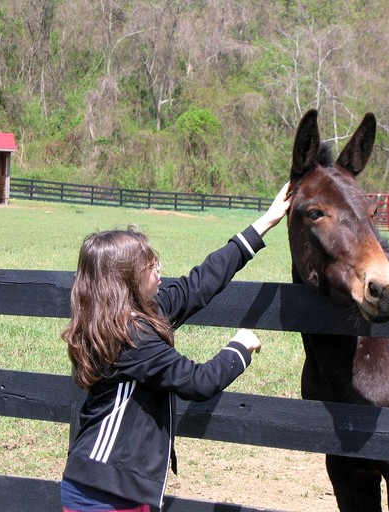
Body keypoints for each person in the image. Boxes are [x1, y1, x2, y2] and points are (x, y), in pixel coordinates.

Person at [60, 183, 292, 512]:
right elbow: (198, 382)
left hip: (103, 483)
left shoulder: (123, 316)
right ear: (125, 280)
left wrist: (266, 221)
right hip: (107, 492)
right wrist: (239, 349)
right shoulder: (133, 335)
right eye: (151, 266)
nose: (160, 270)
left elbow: (199, 284)